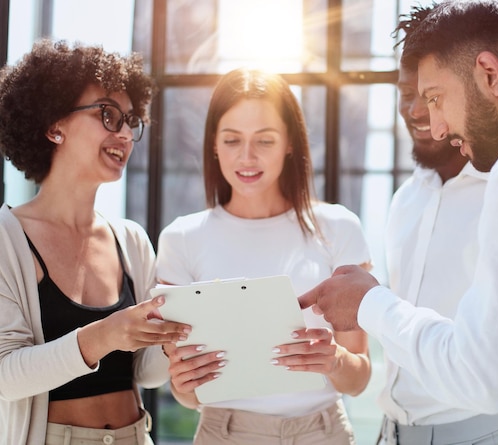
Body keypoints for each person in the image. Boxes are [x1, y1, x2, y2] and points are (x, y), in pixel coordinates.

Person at [299, 1, 498, 443]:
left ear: (489, 74)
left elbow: (484, 377)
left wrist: (369, 303)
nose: (434, 126)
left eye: (435, 97)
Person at [156, 68, 372, 445]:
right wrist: (183, 383)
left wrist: (335, 360)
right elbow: (186, 394)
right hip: (224, 433)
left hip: (321, 433)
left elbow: (359, 379)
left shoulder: (339, 228)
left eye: (265, 140)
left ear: (290, 142)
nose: (247, 157)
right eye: (232, 139)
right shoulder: (181, 239)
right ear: (214, 144)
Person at [0, 39, 191, 445]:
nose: (124, 133)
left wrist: (178, 334)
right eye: (108, 115)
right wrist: (104, 335)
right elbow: (6, 376)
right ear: (54, 126)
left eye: (129, 120)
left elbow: (146, 374)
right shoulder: (6, 239)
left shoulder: (131, 240)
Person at [374, 5, 498, 445]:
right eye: (405, 93)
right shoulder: (407, 198)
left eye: (431, 96)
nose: (414, 110)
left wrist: (368, 303)